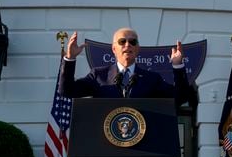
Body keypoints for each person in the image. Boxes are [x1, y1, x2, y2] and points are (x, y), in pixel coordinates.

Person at [58, 28, 194, 105]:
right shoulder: (98, 75)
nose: (127, 45)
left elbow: (180, 98)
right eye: (122, 41)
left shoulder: (151, 79)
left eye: (132, 42)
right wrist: (70, 58)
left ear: (138, 49)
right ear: (113, 49)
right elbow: (67, 91)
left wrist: (177, 65)